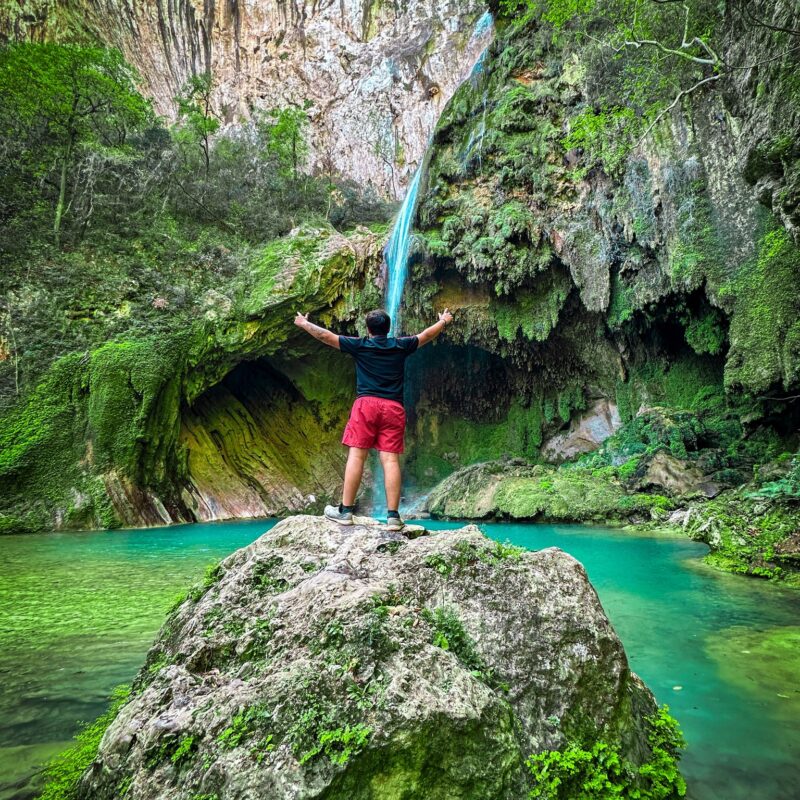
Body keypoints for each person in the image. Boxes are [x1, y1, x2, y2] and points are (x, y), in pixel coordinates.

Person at [293, 307, 453, 530]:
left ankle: (345, 512)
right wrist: (444, 321)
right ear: (388, 329)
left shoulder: (360, 345)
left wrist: (303, 324)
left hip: (366, 405)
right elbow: (426, 335)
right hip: (393, 407)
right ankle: (393, 517)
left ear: (368, 330)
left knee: (357, 456)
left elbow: (326, 336)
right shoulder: (401, 345)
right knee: (390, 460)